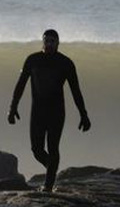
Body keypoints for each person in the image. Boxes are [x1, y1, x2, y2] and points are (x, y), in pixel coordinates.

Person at [8, 29, 90, 192]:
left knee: (53, 147)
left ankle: (48, 185)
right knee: (36, 149)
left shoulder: (66, 63)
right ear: (42, 42)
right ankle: (52, 169)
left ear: (58, 43)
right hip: (37, 111)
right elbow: (20, 84)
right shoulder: (33, 60)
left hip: (56, 112)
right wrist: (13, 107)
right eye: (47, 41)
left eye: (53, 41)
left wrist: (83, 114)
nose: (49, 44)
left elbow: (76, 90)